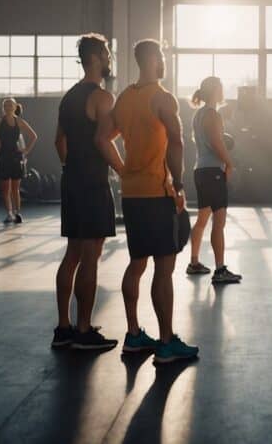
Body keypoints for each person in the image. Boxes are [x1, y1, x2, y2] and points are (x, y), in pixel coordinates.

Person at [97, 38, 199, 363]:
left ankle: (133, 334)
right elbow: (178, 142)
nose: (164, 60)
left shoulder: (124, 98)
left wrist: (123, 169)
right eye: (162, 56)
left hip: (131, 193)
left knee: (137, 262)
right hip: (157, 192)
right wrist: (179, 183)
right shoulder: (163, 97)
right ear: (154, 59)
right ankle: (166, 343)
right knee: (164, 268)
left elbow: (102, 138)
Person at [53, 34, 119, 351]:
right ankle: (83, 330)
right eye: (106, 54)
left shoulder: (68, 98)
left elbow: (58, 142)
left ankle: (64, 327)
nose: (109, 59)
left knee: (73, 253)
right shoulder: (102, 97)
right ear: (95, 58)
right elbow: (102, 141)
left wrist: (73, 167)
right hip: (93, 183)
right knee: (91, 256)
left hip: (72, 180)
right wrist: (125, 171)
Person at [186, 76, 242, 284]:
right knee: (219, 223)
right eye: (220, 87)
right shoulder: (213, 114)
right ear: (214, 91)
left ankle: (194, 262)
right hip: (212, 172)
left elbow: (207, 140)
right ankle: (220, 270)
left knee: (202, 220)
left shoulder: (198, 114)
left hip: (201, 171)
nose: (223, 91)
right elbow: (216, 142)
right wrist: (230, 163)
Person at [0, 98, 38, 224]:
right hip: (4, 156)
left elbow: (34, 136)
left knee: (15, 189)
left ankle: (17, 213)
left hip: (16, 157)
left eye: (10, 105)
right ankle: (9, 214)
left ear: (15, 107)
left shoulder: (19, 121)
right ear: (3, 108)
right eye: (6, 105)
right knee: (5, 189)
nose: (8, 107)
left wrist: (26, 150)